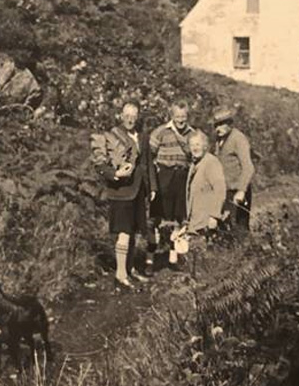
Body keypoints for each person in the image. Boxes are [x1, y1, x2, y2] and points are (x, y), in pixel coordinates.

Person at [90, 102, 157, 288]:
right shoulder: (111, 136)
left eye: (133, 115)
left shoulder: (143, 136)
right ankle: (120, 274)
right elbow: (100, 165)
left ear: (137, 117)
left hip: (138, 191)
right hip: (121, 191)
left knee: (134, 232)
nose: (130, 119)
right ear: (121, 116)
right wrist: (115, 174)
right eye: (127, 115)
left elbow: (147, 163)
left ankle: (130, 269)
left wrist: (152, 188)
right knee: (124, 232)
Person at [148, 101, 196, 267]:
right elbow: (149, 155)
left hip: (182, 178)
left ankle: (173, 259)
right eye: (177, 117)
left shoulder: (192, 134)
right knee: (156, 219)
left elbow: (197, 156)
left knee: (179, 219)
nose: (181, 120)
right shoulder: (160, 132)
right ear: (171, 116)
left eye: (183, 117)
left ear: (187, 116)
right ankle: (150, 259)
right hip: (164, 177)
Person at [211, 106, 255, 235]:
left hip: (237, 190)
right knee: (224, 227)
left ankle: (245, 253)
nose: (218, 128)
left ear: (230, 123)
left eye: (221, 124)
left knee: (239, 228)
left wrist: (241, 190)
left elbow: (248, 167)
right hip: (224, 191)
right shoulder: (219, 140)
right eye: (216, 125)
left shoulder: (238, 138)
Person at [185, 131, 229, 235]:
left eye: (198, 144)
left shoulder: (211, 162)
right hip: (196, 222)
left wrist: (214, 216)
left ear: (205, 146)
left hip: (207, 223)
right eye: (192, 145)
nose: (195, 148)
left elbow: (220, 189)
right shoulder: (195, 164)